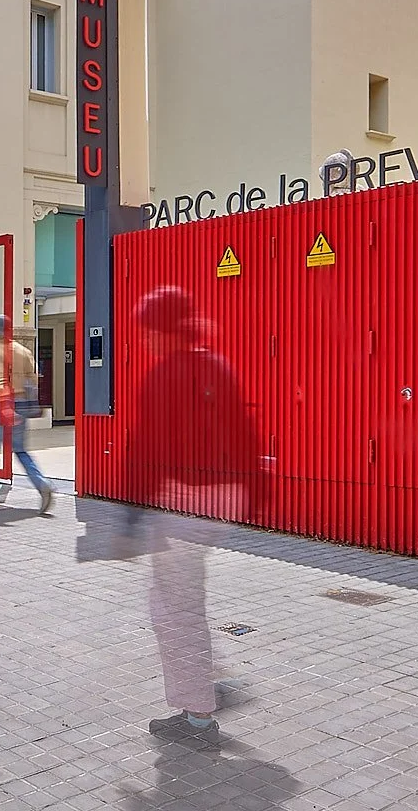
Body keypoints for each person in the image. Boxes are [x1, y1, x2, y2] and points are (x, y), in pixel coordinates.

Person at [119, 284, 264, 752]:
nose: (144, 339)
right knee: (179, 601)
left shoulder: (165, 374)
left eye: (148, 330)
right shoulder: (215, 364)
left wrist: (130, 514)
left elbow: (145, 446)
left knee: (173, 611)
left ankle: (199, 714)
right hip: (219, 502)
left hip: (182, 503)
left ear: (163, 330)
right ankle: (205, 678)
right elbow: (245, 433)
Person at [0, 313, 53, 513]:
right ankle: (41, 483)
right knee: (20, 450)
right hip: (21, 403)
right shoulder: (23, 350)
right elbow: (34, 379)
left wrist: (5, 407)